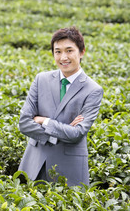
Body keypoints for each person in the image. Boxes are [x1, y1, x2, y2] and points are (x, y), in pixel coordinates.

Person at [18, 27, 103, 186]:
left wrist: (44, 121)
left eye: (69, 50)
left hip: (69, 169)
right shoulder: (41, 80)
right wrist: (62, 131)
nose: (63, 57)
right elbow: (24, 123)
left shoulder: (93, 90)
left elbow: (77, 133)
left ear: (82, 52)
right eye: (58, 52)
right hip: (34, 162)